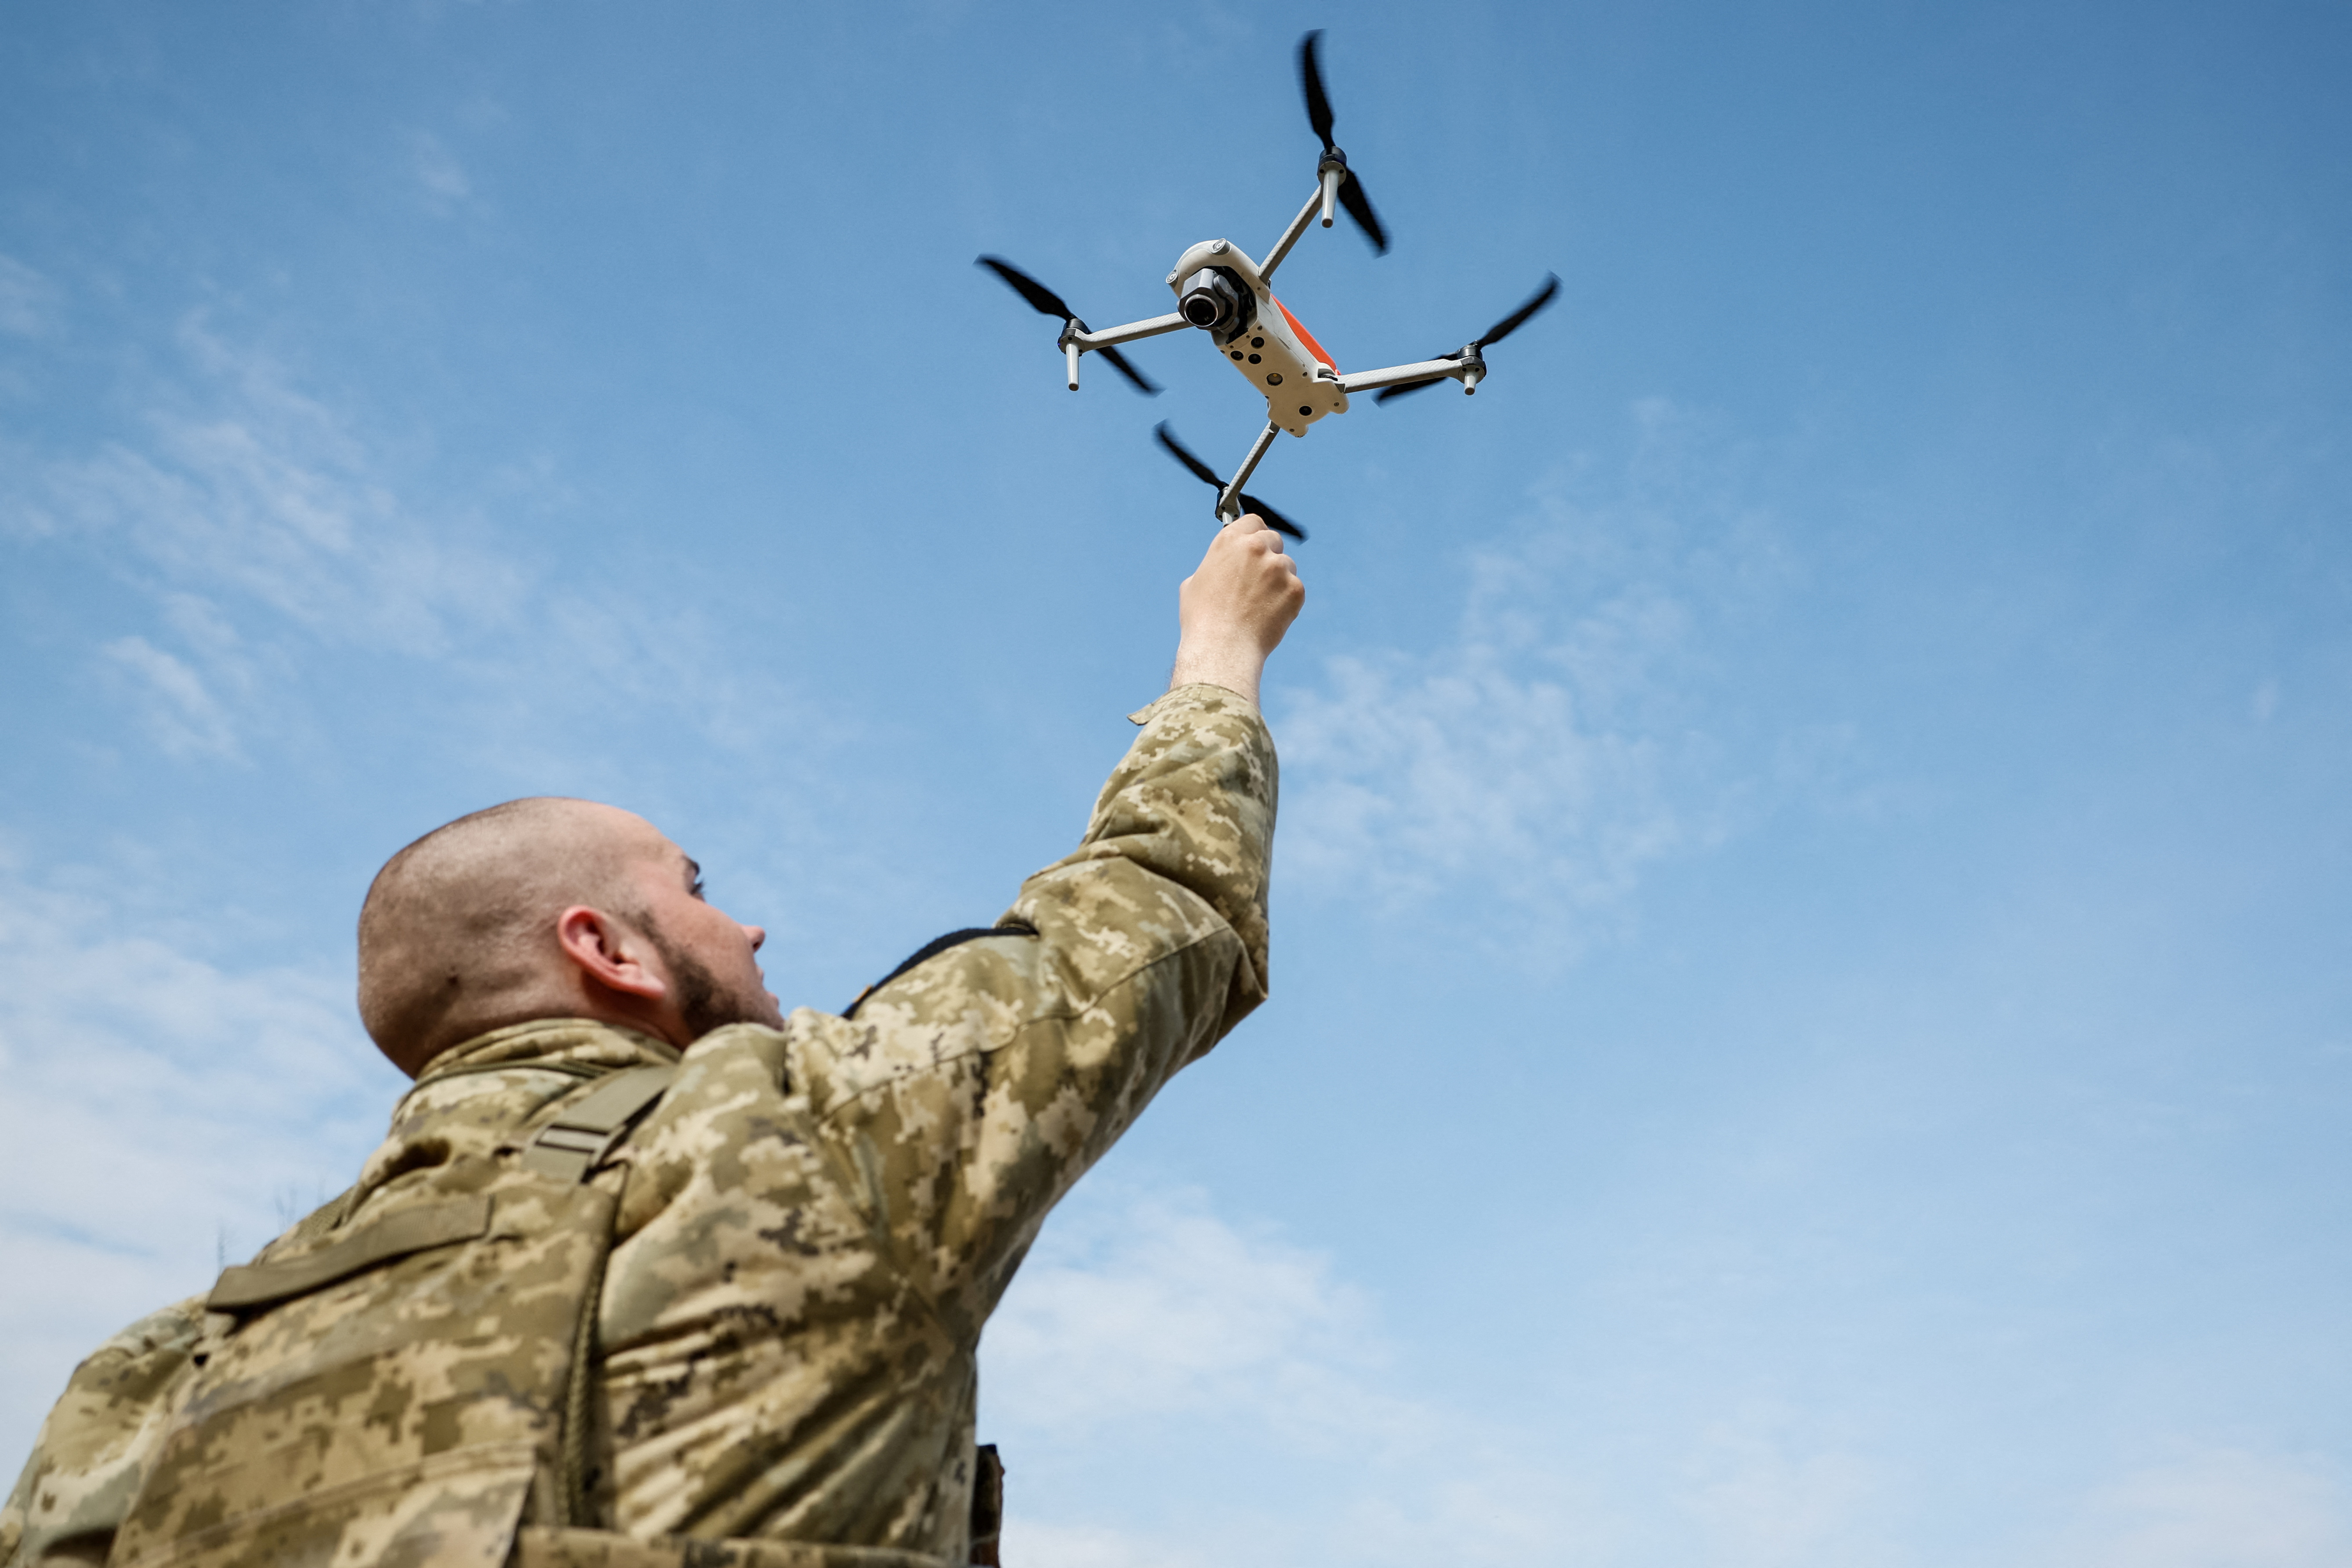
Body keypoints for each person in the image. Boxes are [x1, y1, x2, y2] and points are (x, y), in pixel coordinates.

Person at [2, 515, 1305, 1568]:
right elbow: (1158, 907)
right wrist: (1216, 655)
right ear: (605, 949)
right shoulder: (801, 1134)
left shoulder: (158, 1365)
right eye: (694, 884)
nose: (746, 923)